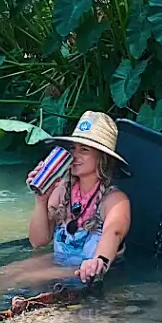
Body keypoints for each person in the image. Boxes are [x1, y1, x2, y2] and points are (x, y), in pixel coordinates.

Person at [25, 110, 132, 284]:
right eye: (73, 148)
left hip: (90, 279)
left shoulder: (116, 200)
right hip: (60, 265)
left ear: (102, 158)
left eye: (84, 150)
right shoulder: (62, 190)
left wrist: (99, 261)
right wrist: (41, 199)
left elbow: (114, 232)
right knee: (0, 275)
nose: (74, 155)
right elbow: (38, 242)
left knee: (21, 279)